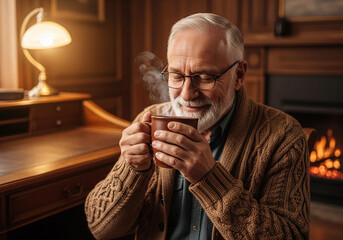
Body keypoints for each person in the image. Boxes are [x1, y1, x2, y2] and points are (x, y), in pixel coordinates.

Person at [85, 13, 310, 240]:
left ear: (239, 75)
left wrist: (209, 178)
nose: (187, 94)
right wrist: (133, 170)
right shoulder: (150, 118)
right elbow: (100, 227)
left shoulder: (283, 135)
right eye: (176, 75)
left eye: (204, 77)